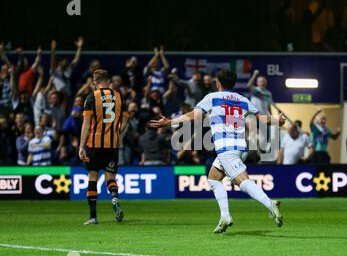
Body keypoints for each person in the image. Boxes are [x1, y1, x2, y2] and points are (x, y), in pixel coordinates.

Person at [148, 69, 286, 234]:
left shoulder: (212, 98)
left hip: (227, 148)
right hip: (240, 146)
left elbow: (195, 115)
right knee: (213, 179)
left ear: (218, 83)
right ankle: (225, 216)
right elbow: (259, 118)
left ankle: (270, 203)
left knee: (242, 182)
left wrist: (170, 122)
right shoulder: (243, 99)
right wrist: (277, 120)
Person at [78, 69, 128, 225]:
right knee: (110, 177)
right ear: (108, 80)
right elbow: (124, 122)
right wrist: (114, 131)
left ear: (95, 82)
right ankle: (114, 199)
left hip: (94, 144)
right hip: (112, 145)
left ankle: (93, 217)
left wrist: (81, 145)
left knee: (93, 177)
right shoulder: (119, 97)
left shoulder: (91, 97)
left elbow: (86, 123)